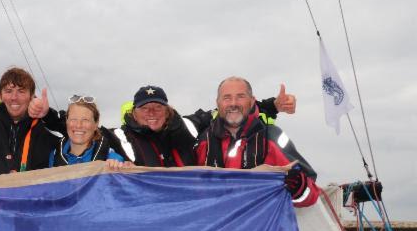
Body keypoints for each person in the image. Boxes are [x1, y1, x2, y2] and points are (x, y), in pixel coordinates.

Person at [195, 76, 319, 207]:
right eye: (227, 98)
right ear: (217, 102)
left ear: (252, 101)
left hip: (260, 226)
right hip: (214, 225)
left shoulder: (271, 137)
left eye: (240, 96)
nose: (233, 103)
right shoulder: (203, 141)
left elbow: (311, 193)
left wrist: (298, 186)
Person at [106, 84, 296, 168]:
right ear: (134, 112)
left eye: (157, 107)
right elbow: (84, 139)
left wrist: (273, 105)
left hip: (193, 217)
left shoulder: (187, 126)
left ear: (167, 110)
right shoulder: (117, 137)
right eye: (145, 108)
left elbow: (227, 111)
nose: (152, 113)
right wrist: (111, 163)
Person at [49, 95, 125, 168]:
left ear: (96, 124)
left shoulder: (112, 158)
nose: (78, 125)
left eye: (85, 120)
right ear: (67, 121)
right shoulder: (55, 155)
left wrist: (117, 167)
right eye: (73, 119)